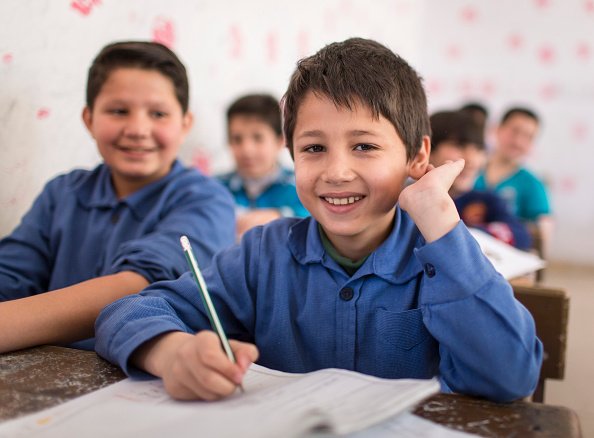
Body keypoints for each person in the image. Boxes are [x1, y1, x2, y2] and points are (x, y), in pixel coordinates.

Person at [95, 38, 542, 403]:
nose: (335, 172)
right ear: (291, 156)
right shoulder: (260, 254)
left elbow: (511, 376)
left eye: (364, 146)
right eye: (313, 148)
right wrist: (172, 352)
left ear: (417, 155)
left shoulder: (444, 256)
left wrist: (442, 221)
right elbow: (127, 311)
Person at [0, 41, 236, 353]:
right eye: (118, 111)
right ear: (89, 120)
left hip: (143, 379)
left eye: (158, 113)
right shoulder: (62, 193)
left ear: (184, 124)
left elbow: (138, 286)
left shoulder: (207, 200)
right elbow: (11, 274)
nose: (138, 129)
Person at [429, 110, 532, 250]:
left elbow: (522, 236)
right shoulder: (404, 202)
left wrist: (468, 233)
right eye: (459, 146)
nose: (471, 159)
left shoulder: (486, 201)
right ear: (426, 150)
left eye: (478, 149)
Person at [218, 94, 308, 238]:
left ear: (280, 141)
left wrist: (279, 217)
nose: (247, 149)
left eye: (257, 137)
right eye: (237, 139)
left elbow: (320, 226)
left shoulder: (303, 187)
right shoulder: (215, 189)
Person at [474, 107, 553, 254]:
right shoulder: (469, 170)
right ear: (497, 129)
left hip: (506, 255)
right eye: (514, 131)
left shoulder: (532, 184)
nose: (518, 141)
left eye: (528, 137)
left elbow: (542, 228)